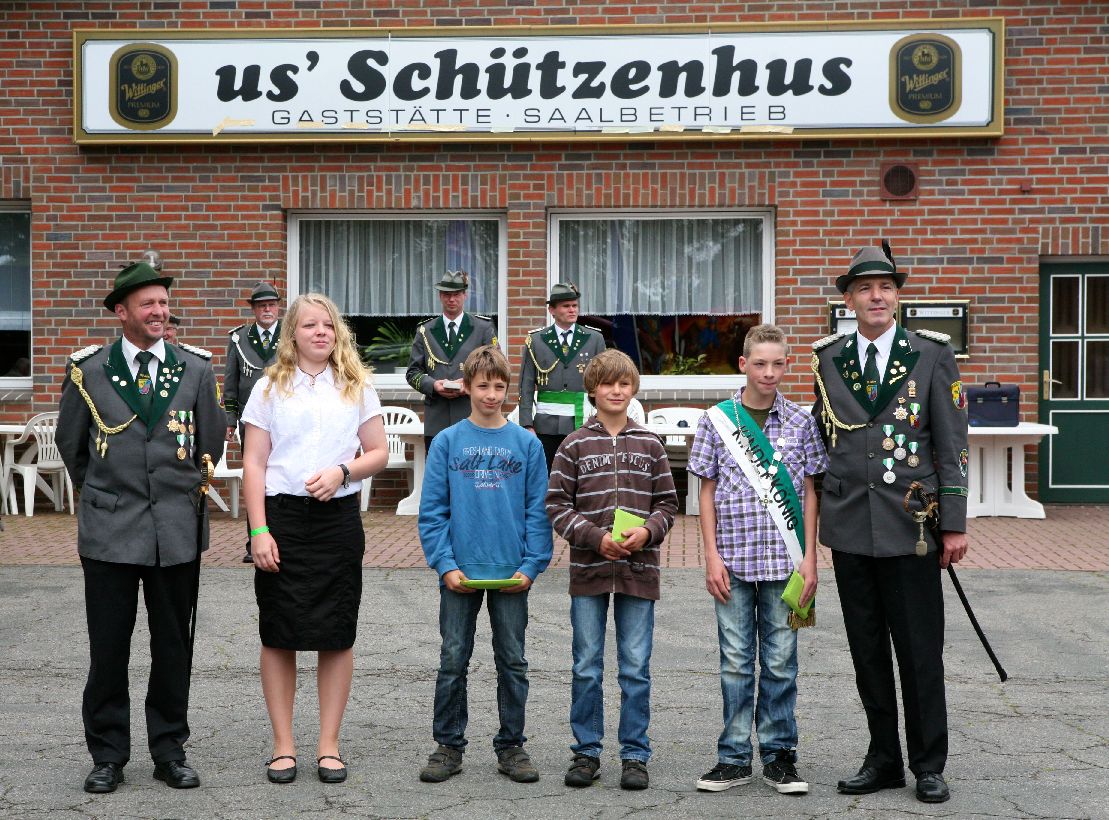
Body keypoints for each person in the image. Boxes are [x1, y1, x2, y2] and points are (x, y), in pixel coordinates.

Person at [56, 261, 224, 794]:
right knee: (109, 648)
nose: (159, 312)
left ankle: (169, 750)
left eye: (163, 303)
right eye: (147, 303)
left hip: (175, 531)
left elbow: (210, 445)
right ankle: (108, 754)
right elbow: (72, 447)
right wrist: (108, 497)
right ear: (121, 312)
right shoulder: (89, 370)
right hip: (109, 532)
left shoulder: (194, 369)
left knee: (173, 646)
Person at [812, 242, 969, 804]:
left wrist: (954, 522)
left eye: (885, 287)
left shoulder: (930, 354)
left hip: (913, 526)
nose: (876, 296)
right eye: (865, 288)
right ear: (849, 301)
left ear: (898, 297)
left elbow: (951, 444)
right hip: (851, 525)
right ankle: (883, 759)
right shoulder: (828, 360)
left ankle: (928, 763)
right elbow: (822, 439)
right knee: (868, 652)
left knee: (919, 651)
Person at [240, 293, 389, 785]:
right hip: (281, 520)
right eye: (309, 325)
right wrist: (258, 530)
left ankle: (329, 745)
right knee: (278, 632)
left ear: (337, 332)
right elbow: (254, 463)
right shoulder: (268, 388)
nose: (321, 332)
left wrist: (343, 471)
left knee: (336, 633)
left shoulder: (356, 385)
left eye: (328, 324)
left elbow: (379, 453)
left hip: (336, 522)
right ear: (293, 334)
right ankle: (283, 746)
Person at [687, 324, 828, 796]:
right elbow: (706, 491)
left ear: (788, 365)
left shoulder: (801, 421)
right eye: (760, 363)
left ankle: (779, 755)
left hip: (786, 563)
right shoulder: (717, 420)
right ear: (744, 364)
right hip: (732, 559)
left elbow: (810, 491)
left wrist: (810, 558)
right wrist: (710, 556)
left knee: (782, 661)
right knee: (734, 662)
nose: (769, 372)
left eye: (778, 364)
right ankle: (732, 757)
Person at [417, 345, 552, 785]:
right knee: (453, 659)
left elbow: (538, 512)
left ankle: (512, 746)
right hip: (461, 571)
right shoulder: (447, 442)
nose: (491, 395)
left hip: (511, 572)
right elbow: (433, 511)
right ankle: (448, 745)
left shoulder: (527, 444)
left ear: (507, 389)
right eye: (482, 386)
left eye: (498, 386)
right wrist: (444, 564)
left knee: (512, 661)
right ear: (467, 388)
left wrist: (531, 566)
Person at [545, 349, 678, 791]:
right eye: (607, 384)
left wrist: (647, 532)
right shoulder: (574, 445)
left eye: (624, 384)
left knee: (635, 667)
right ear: (592, 390)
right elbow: (557, 505)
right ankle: (586, 752)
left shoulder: (650, 444)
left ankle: (635, 755)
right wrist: (592, 536)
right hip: (589, 569)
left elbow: (667, 505)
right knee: (586, 665)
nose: (616, 391)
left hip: (640, 570)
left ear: (633, 388)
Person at [405, 270, 497, 452]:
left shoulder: (483, 328)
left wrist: (468, 383)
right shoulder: (425, 330)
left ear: (465, 295)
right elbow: (412, 373)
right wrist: (433, 385)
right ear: (440, 296)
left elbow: (495, 368)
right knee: (437, 469)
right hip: (436, 419)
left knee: (473, 468)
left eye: (456, 294)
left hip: (473, 415)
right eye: (447, 294)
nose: (452, 299)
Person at [223, 281, 282, 563]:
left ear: (278, 307)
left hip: (285, 418)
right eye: (261, 306)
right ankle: (254, 540)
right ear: (254, 310)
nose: (267, 310)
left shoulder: (291, 334)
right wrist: (230, 420)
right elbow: (231, 384)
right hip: (252, 421)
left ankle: (281, 537)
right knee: (255, 475)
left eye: (271, 305)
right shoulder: (239, 338)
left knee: (281, 475)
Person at [518, 282, 607, 470]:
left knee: (583, 474)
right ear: (552, 310)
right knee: (548, 475)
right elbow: (526, 385)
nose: (572, 310)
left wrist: (602, 419)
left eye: (575, 305)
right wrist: (527, 425)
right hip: (546, 426)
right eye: (566, 306)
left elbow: (603, 382)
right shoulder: (536, 340)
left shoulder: (594, 339)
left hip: (583, 422)